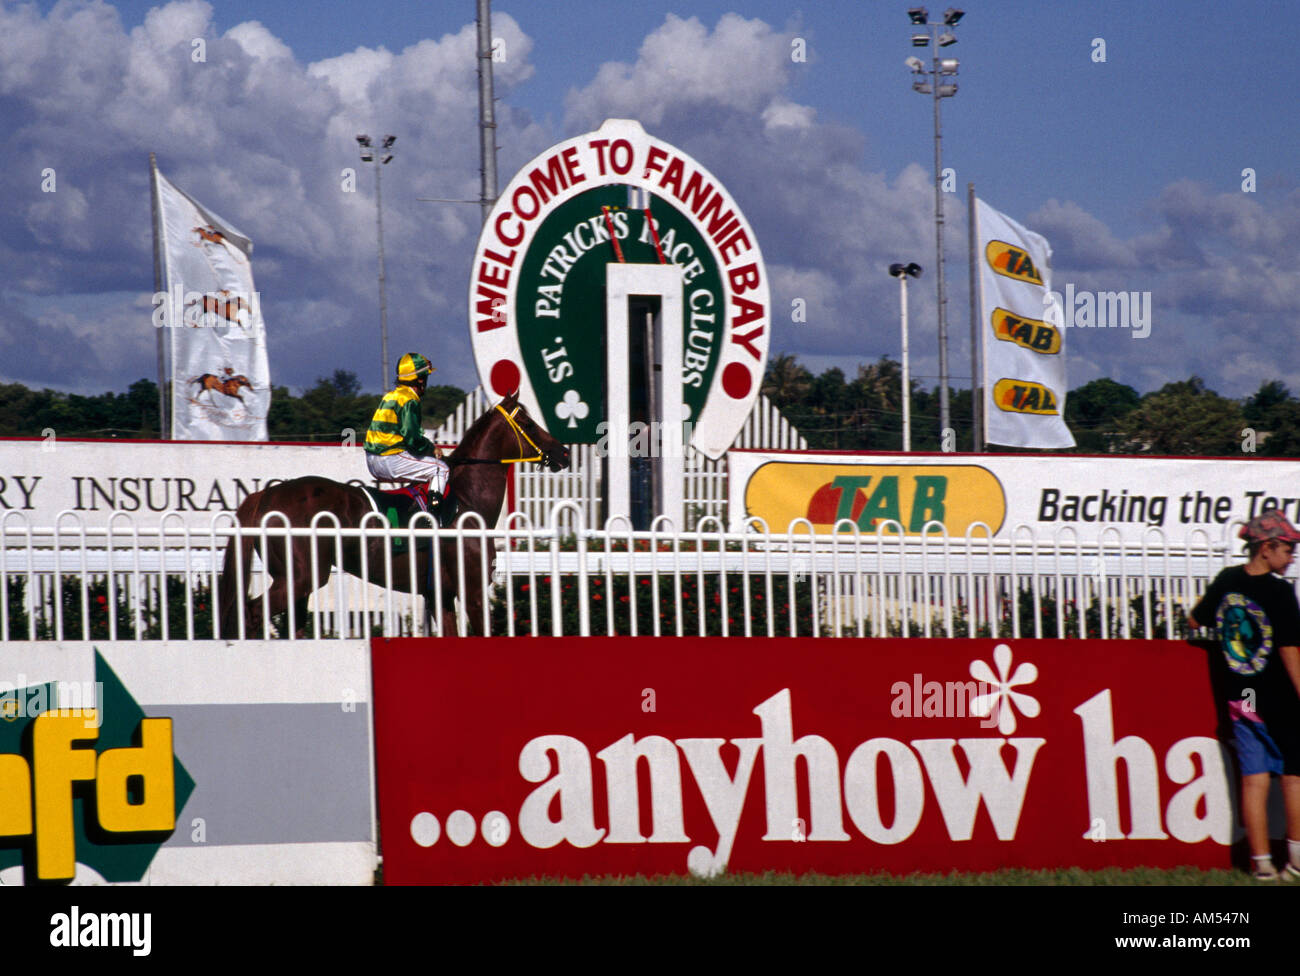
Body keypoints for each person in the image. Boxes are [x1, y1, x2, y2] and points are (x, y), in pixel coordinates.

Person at [1188, 510, 1300, 881]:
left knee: (1253, 780)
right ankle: (1296, 862)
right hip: (1278, 699)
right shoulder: (1280, 592)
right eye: (1288, 547)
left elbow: (1195, 620)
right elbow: (1288, 648)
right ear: (1267, 548)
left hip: (1241, 696)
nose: (1292, 555)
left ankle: (1261, 863)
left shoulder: (1227, 580)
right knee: (1293, 778)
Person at [364, 353, 449, 511]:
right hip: (390, 459)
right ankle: (433, 515)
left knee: (422, 468)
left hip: (371, 460)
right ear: (421, 379)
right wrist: (431, 449)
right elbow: (412, 439)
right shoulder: (410, 399)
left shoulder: (391, 395)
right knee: (441, 468)